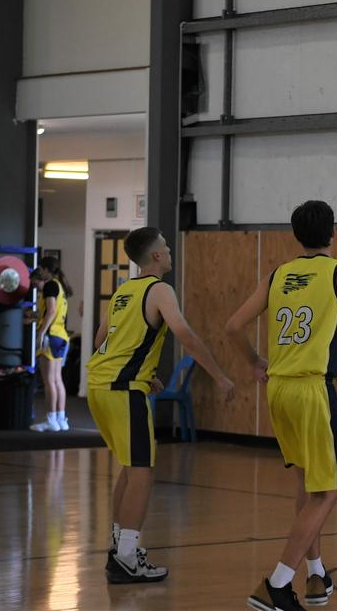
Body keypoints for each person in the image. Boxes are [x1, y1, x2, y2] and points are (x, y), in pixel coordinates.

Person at [227, 200, 337, 611]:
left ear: (297, 235)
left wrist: (255, 361)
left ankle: (316, 573)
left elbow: (233, 326)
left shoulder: (278, 274)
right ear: (333, 233)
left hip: (279, 390)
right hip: (314, 391)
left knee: (309, 484)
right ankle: (277, 582)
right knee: (328, 491)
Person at [86, 226, 235, 584]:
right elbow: (184, 334)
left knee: (130, 466)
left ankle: (120, 547)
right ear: (156, 256)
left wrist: (143, 371)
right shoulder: (160, 289)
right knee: (142, 471)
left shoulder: (124, 290)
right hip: (123, 388)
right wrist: (219, 376)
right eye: (166, 248)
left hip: (99, 384)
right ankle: (126, 557)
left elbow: (101, 339)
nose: (170, 252)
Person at [30, 257, 73, 432]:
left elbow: (52, 310)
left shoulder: (50, 285)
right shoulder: (60, 286)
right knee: (57, 380)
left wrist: (41, 332)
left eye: (41, 268)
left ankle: (50, 419)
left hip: (51, 335)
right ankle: (61, 419)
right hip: (61, 336)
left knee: (49, 381)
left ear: (46, 269)